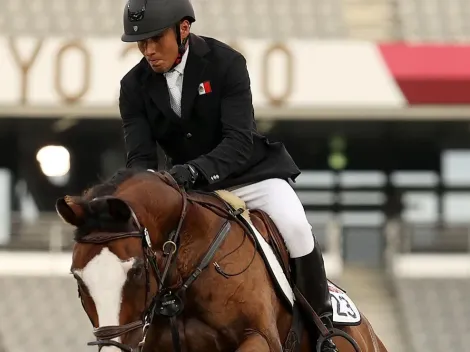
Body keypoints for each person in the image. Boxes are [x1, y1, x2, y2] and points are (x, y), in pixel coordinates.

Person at [119, 0, 337, 350]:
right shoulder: (133, 86)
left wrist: (191, 172)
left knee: (296, 228)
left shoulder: (226, 64)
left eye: (155, 39)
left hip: (250, 175)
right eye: (141, 43)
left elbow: (238, 140)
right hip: (190, 190)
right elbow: (141, 158)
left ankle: (323, 328)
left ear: (183, 29)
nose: (148, 50)